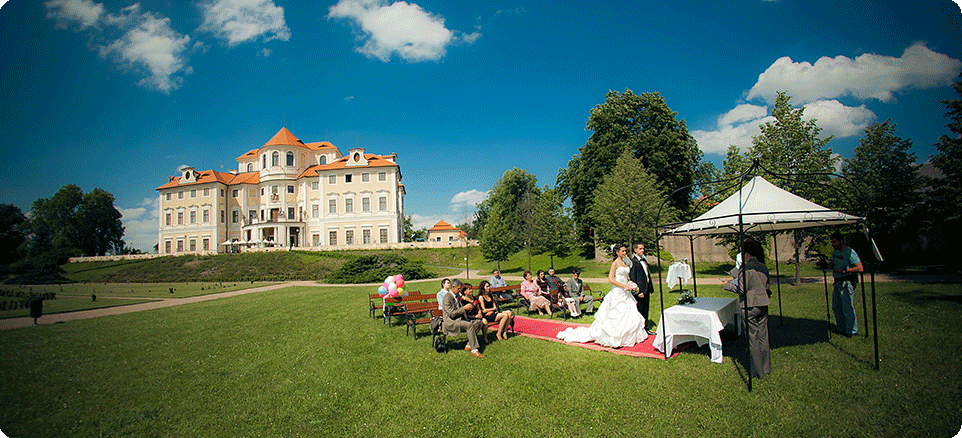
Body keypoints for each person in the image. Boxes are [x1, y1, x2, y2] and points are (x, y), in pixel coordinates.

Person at [556, 244, 648, 348]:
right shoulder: (615, 263)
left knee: (630, 311)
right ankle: (613, 337)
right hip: (618, 291)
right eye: (622, 251)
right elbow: (611, 279)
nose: (625, 253)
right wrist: (623, 286)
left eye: (625, 251)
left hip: (625, 292)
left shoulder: (625, 263)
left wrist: (630, 284)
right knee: (615, 313)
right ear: (617, 252)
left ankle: (629, 336)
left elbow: (625, 276)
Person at [723, 238, 772, 378]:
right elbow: (767, 287)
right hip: (763, 304)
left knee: (753, 338)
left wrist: (727, 285)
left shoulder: (746, 268)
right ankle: (766, 367)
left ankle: (757, 371)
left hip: (750, 305)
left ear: (747, 253)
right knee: (763, 337)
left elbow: (742, 289)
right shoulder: (763, 266)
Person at [829, 232, 863, 337]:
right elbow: (833, 263)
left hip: (847, 282)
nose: (833, 244)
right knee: (836, 306)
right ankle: (841, 328)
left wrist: (845, 270)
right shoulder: (835, 252)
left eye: (835, 242)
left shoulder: (850, 252)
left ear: (841, 241)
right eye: (832, 242)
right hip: (838, 281)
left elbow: (860, 268)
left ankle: (851, 331)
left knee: (847, 306)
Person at [442, 281, 486, 358]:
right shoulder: (447, 298)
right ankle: (474, 350)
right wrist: (464, 308)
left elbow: (462, 310)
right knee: (469, 325)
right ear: (453, 287)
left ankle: (469, 345)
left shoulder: (457, 296)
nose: (460, 291)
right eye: (459, 289)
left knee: (478, 323)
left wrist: (469, 306)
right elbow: (451, 314)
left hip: (460, 319)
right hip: (451, 322)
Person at [628, 243, 656, 335]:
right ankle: (639, 329)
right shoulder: (633, 262)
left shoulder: (644, 260)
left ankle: (646, 328)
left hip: (646, 289)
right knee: (640, 310)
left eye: (643, 249)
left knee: (646, 309)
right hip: (640, 291)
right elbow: (633, 278)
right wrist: (638, 292)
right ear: (635, 250)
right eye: (640, 249)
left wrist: (650, 288)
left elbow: (647, 276)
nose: (642, 250)